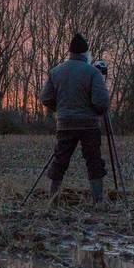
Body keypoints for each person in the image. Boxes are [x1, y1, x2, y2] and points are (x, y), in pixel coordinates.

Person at [39, 33, 110, 204]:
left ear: (70, 52)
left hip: (65, 124)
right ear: (85, 53)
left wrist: (62, 109)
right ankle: (98, 201)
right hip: (89, 125)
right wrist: (95, 111)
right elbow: (101, 101)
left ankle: (52, 200)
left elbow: (45, 98)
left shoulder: (56, 72)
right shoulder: (93, 72)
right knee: (93, 161)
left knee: (60, 160)